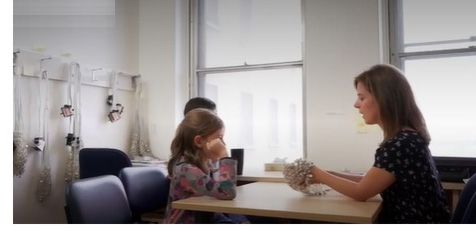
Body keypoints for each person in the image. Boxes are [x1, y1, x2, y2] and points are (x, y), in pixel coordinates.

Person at [306, 64, 450, 223]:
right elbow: (367, 181)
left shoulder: (400, 144)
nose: (356, 104)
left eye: (361, 97)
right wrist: (328, 174)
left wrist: (315, 171)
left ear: (384, 99)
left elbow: (361, 192)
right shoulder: (408, 138)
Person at [164, 108, 247, 223]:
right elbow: (228, 192)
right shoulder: (187, 170)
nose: (224, 144)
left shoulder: (206, 164)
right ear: (199, 141)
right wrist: (224, 156)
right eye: (219, 138)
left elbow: (216, 206)